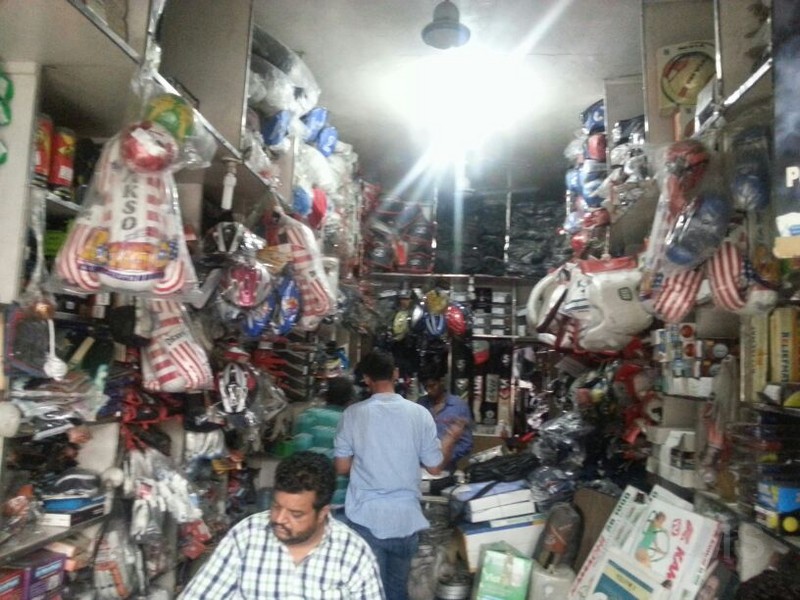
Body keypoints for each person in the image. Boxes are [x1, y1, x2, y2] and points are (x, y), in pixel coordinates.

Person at [333, 349, 468, 600]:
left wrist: (370, 465)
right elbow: (435, 467)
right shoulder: (419, 414)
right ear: (395, 374)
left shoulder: (352, 414)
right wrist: (450, 438)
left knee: (368, 592)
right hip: (405, 521)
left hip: (365, 518)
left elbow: (341, 467)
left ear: (367, 379)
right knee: (397, 592)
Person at [180, 451, 385, 600]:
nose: (279, 519)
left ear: (323, 513)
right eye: (276, 506)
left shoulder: (353, 554)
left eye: (296, 514)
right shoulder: (246, 536)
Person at [417, 375, 473, 471]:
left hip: (447, 467)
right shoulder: (421, 403)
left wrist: (445, 456)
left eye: (432, 386)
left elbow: (466, 443)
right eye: (426, 387)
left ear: (441, 381)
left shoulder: (459, 406)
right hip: (421, 467)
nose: (429, 390)